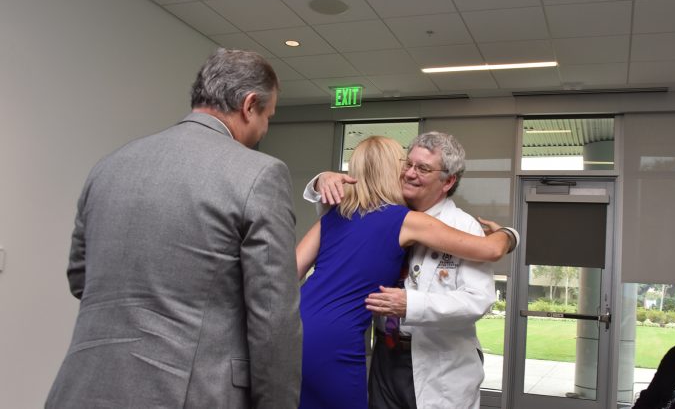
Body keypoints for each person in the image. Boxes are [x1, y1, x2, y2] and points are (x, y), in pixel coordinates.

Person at [46, 48, 302, 409]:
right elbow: (273, 321)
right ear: (249, 106)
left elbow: (80, 278)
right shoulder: (259, 175)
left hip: (80, 389)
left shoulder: (107, 167)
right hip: (189, 394)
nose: (264, 129)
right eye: (268, 117)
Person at [295, 136, 516, 409]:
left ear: (448, 181)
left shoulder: (461, 225)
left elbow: (479, 299)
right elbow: (337, 210)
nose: (410, 173)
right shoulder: (384, 213)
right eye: (407, 164)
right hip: (385, 356)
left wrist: (410, 303)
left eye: (422, 169)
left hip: (437, 363)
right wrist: (320, 180)